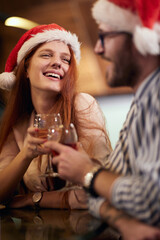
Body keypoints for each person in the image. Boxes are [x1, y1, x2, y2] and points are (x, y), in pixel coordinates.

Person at [43, 0, 160, 238]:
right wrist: (121, 219)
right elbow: (99, 193)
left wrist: (88, 173)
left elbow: (152, 203)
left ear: (140, 40)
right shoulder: (140, 104)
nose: (98, 48)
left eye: (105, 36)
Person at [0, 23, 112, 209]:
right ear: (26, 69)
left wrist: (32, 199)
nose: (58, 63)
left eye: (66, 59)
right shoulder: (20, 124)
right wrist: (26, 154)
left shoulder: (81, 104)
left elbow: (100, 189)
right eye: (46, 54)